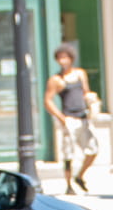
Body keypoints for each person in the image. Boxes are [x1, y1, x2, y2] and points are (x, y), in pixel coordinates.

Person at [43, 43, 100, 195]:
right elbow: (48, 100)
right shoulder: (56, 80)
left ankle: (80, 176)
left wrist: (92, 102)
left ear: (71, 58)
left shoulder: (80, 74)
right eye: (60, 58)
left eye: (66, 57)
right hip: (69, 118)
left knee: (93, 149)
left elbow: (86, 92)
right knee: (68, 153)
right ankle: (68, 185)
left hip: (83, 117)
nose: (63, 61)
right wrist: (61, 118)